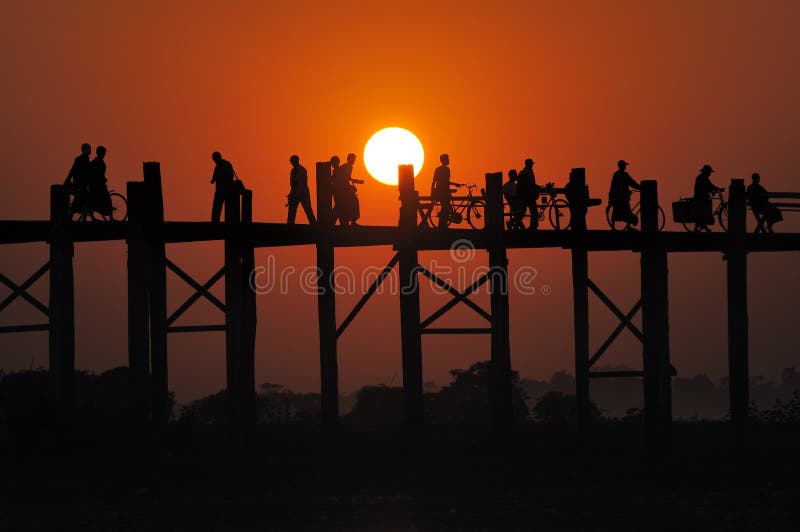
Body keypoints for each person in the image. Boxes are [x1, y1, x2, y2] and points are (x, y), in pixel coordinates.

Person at [431, 153, 460, 229]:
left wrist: (432, 192)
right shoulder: (447, 170)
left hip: (439, 191)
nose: (448, 160)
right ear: (444, 160)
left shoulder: (437, 169)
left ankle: (442, 225)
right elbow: (446, 182)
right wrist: (455, 184)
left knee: (445, 207)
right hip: (444, 192)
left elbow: (434, 181)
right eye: (447, 159)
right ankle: (442, 226)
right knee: (445, 208)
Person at [608, 160, 640, 227]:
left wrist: (611, 197)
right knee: (626, 211)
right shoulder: (624, 175)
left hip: (617, 197)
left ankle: (615, 225)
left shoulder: (616, 174)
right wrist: (640, 188)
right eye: (625, 165)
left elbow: (612, 186)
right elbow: (632, 183)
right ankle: (628, 226)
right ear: (622, 166)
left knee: (619, 210)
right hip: (622, 197)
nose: (625, 166)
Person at [286, 155, 316, 225]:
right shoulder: (292, 171)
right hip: (295, 193)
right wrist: (291, 194)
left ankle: (314, 225)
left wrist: (295, 194)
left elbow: (303, 184)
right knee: (292, 210)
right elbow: (292, 184)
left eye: (293, 162)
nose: (292, 163)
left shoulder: (303, 170)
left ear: (296, 161)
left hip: (303, 194)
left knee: (308, 210)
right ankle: (290, 225)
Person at [64, 143, 92, 212]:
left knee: (84, 197)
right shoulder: (84, 159)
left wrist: (67, 180)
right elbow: (74, 171)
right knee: (83, 197)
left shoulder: (80, 159)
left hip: (80, 182)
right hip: (81, 183)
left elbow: (72, 171)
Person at [693, 164, 721, 231]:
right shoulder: (702, 178)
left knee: (704, 212)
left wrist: (715, 189)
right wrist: (716, 189)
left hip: (702, 197)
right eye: (709, 172)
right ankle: (703, 226)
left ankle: (702, 226)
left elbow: (709, 186)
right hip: (700, 197)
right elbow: (708, 186)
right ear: (706, 171)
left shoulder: (703, 177)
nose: (710, 174)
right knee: (705, 211)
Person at [210, 151, 236, 223]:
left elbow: (214, 179)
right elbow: (214, 179)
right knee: (221, 209)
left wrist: (215, 179)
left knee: (218, 209)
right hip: (224, 191)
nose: (214, 161)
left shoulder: (221, 166)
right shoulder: (224, 165)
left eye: (214, 159)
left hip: (223, 191)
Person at [516, 158, 540, 230]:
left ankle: (513, 222)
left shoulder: (522, 172)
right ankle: (533, 227)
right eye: (531, 164)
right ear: (529, 164)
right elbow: (531, 183)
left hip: (524, 195)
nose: (532, 165)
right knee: (534, 211)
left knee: (523, 211)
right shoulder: (528, 172)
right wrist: (536, 186)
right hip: (530, 195)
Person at [89, 145, 112, 216]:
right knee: (107, 199)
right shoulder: (96, 162)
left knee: (95, 200)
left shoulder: (96, 162)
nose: (104, 154)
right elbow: (97, 174)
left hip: (97, 184)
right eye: (103, 153)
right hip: (98, 185)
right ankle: (110, 217)